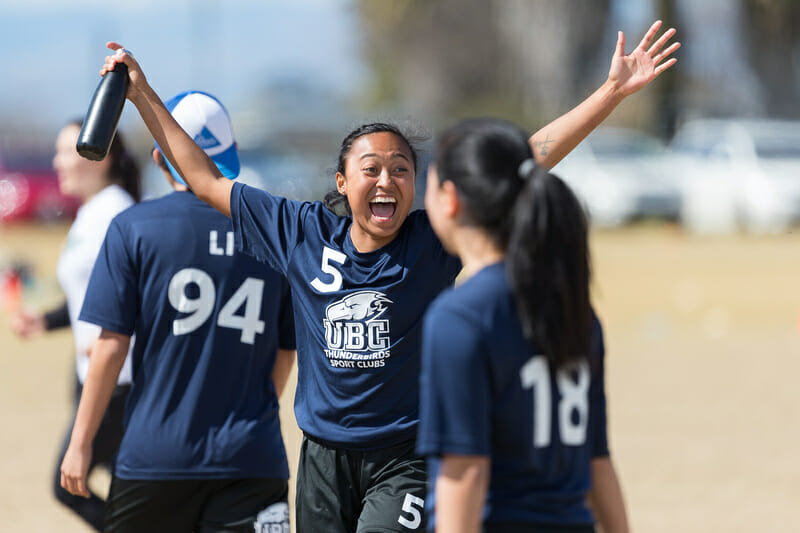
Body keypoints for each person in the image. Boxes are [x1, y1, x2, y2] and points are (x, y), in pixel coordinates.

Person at [98, 19, 677, 532]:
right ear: (342, 182)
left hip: (404, 460)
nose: (386, 181)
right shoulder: (299, 232)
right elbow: (201, 177)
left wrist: (609, 94)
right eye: (370, 169)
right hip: (322, 458)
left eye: (401, 170)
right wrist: (141, 92)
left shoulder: (429, 245)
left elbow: (524, 161)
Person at [59, 90, 297, 533]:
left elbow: (110, 348)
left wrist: (81, 442)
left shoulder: (134, 227)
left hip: (155, 458)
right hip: (251, 456)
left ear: (158, 155)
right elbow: (286, 353)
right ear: (234, 153)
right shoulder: (272, 231)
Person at [417, 118, 627, 533]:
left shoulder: (459, 318)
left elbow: (466, 473)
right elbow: (597, 462)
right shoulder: (574, 309)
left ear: (449, 199)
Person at [10, 120, 140, 531]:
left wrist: (121, 338)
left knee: (69, 484)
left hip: (121, 378)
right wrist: (44, 320)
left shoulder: (117, 213)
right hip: (93, 374)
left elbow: (141, 293)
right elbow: (91, 297)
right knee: (126, 488)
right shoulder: (91, 212)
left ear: (100, 158)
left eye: (67, 151)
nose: (56, 161)